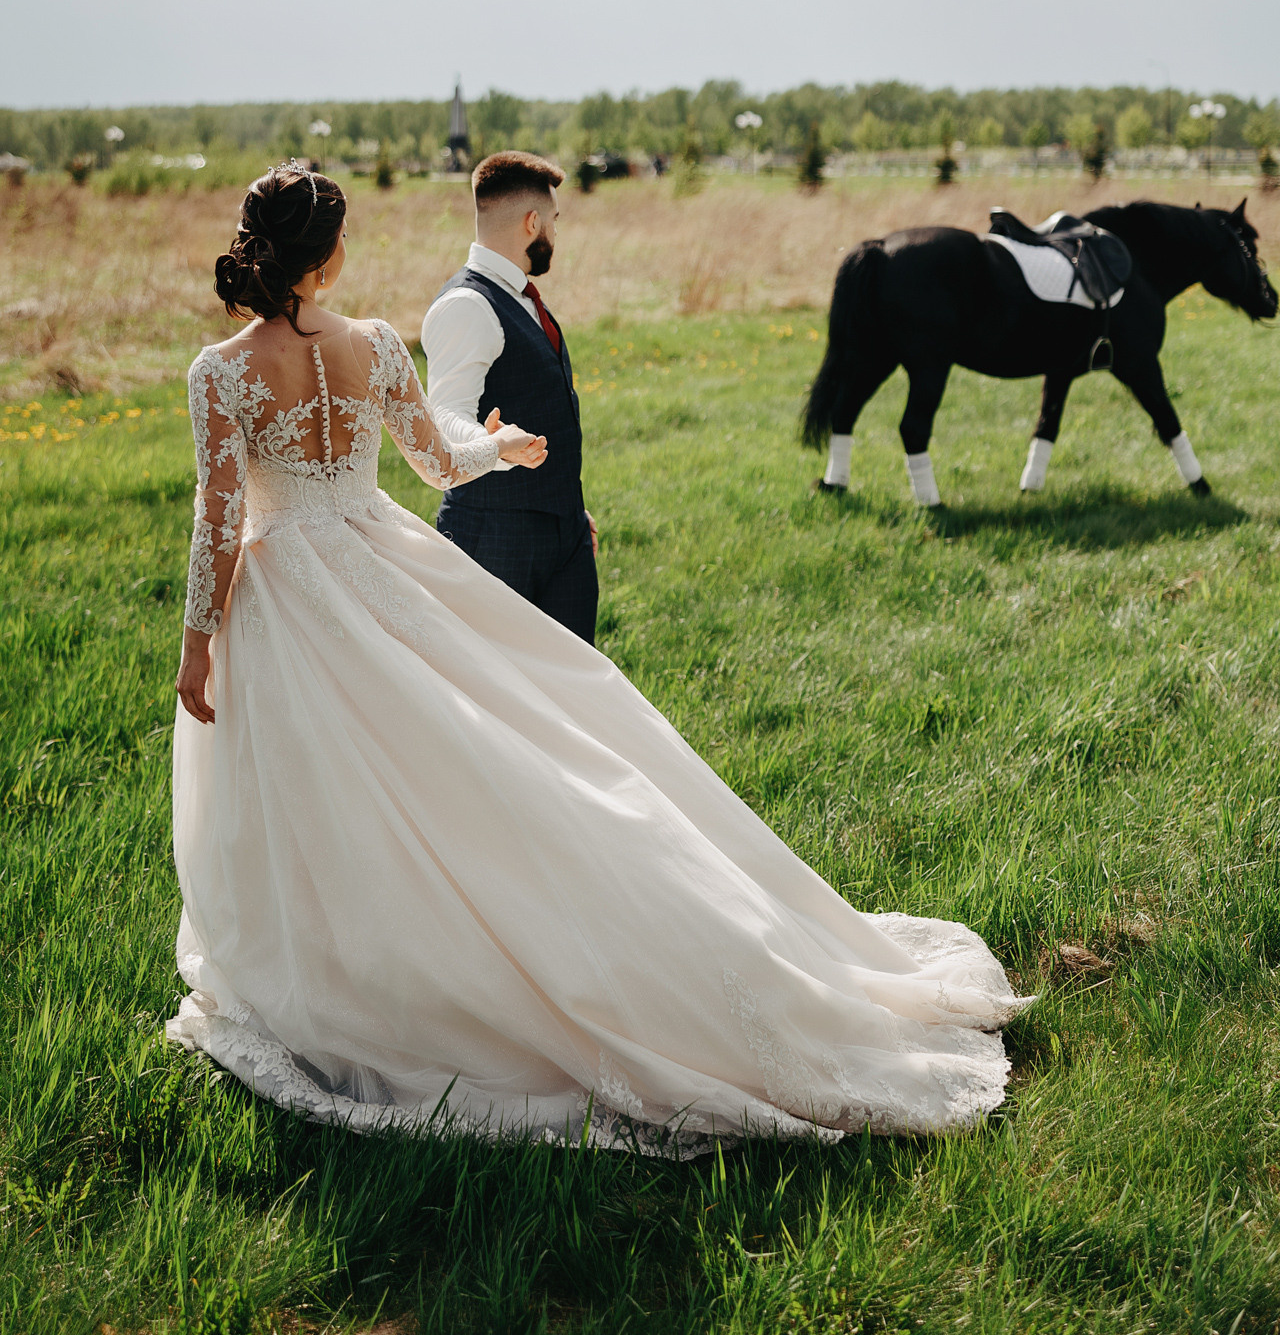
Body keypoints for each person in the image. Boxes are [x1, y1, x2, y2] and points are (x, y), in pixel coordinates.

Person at [169, 162, 1030, 1151]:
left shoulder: (220, 371)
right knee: (447, 764)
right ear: (327, 256)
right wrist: (501, 448)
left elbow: (219, 521)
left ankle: (336, 976)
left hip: (285, 594)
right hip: (380, 566)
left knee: (311, 790)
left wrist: (197, 643)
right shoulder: (374, 343)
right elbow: (436, 463)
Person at [423, 151, 598, 644]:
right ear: (533, 222)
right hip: (495, 538)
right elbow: (443, 416)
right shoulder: (466, 304)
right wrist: (494, 446)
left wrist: (569, 513)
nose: (556, 234)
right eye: (555, 221)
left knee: (573, 676)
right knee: (495, 683)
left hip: (561, 533)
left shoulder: (520, 294)